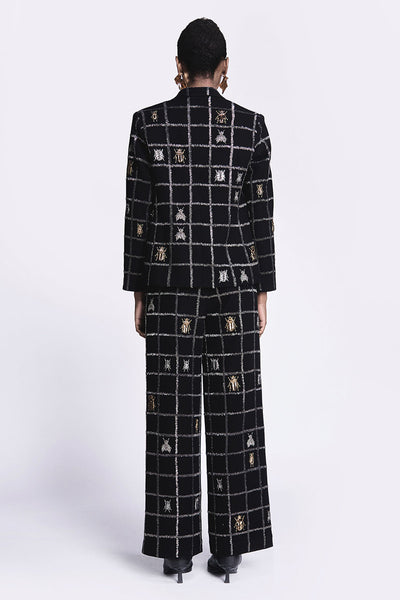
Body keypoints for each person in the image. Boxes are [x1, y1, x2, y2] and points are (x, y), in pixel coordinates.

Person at [122, 17, 276, 583]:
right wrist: (262, 293)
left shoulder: (147, 125)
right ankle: (231, 548)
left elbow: (138, 219)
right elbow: (260, 219)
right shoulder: (252, 127)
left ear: (179, 66)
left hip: (168, 287)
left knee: (173, 415)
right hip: (234, 288)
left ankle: (176, 548)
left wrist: (139, 292)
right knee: (236, 416)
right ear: (225, 67)